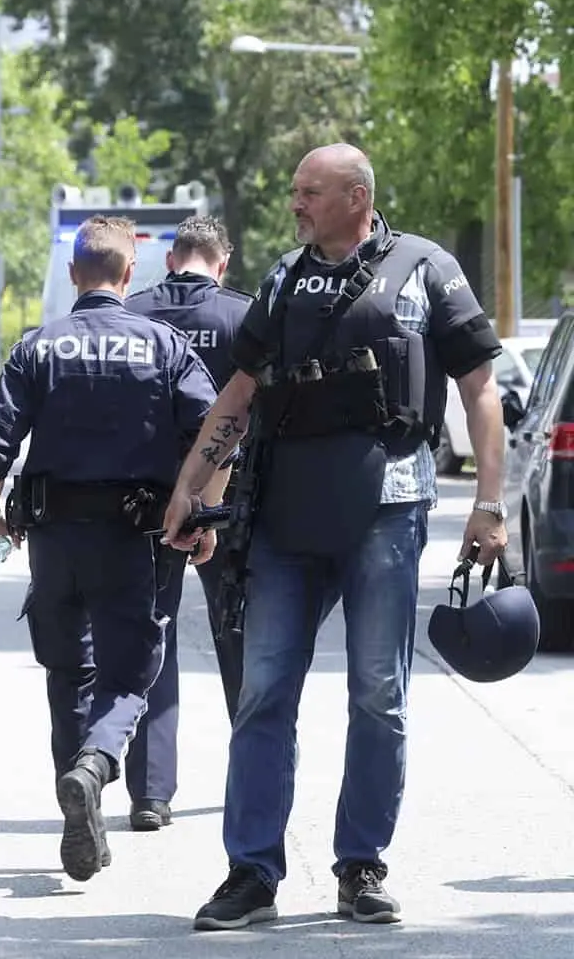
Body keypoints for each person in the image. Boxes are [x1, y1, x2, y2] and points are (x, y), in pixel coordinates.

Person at [163, 143, 509, 931]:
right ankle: (251, 873)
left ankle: (361, 866)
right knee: (262, 693)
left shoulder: (426, 269)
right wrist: (190, 490)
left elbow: (480, 388)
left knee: (378, 695)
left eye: (309, 191)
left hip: (387, 506)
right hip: (286, 513)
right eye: (295, 191)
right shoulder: (284, 277)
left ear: (356, 196)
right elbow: (238, 396)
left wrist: (491, 504)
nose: (296, 203)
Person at [0, 215, 222, 883]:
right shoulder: (162, 346)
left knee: (67, 675)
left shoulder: (39, 347)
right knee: (130, 676)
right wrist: (199, 508)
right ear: (129, 273)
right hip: (134, 541)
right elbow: (218, 430)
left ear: (75, 274)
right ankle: (95, 766)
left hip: (53, 538)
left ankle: (80, 806)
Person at [119, 215, 256, 831]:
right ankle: (257, 772)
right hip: (232, 502)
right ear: (220, 263)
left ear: (171, 259)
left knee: (155, 635)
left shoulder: (136, 311)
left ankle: (150, 793)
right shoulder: (244, 315)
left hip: (147, 500)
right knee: (241, 635)